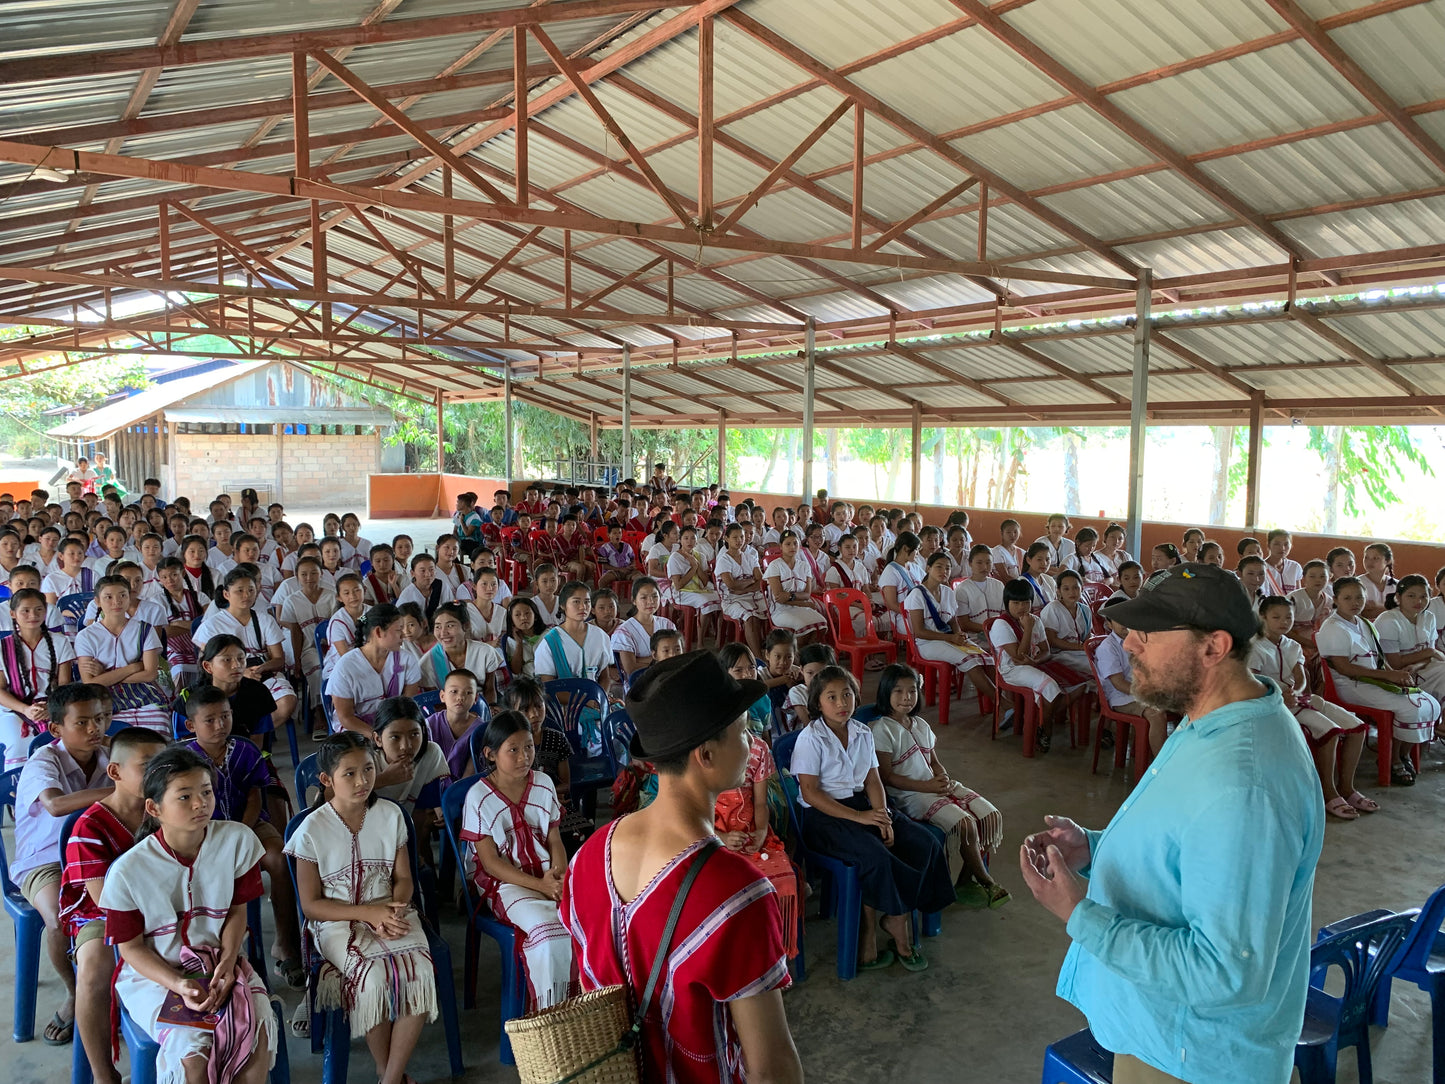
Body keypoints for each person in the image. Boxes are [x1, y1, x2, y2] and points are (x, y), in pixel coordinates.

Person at [1019, 563, 1323, 1084]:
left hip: (1190, 1056)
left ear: (1213, 647)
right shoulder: (1212, 717)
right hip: (1159, 1031)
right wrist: (1095, 848)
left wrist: (1080, 914)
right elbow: (1191, 849)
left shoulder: (1244, 786)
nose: (1128, 644)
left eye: (1150, 633)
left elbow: (1224, 973)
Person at [560, 651, 801, 1084]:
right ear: (706, 755)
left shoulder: (588, 857)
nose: (751, 743)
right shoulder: (738, 893)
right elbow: (771, 1071)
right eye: (743, 731)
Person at [99, 746, 278, 1084]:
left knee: (253, 1044)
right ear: (154, 808)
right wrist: (178, 984)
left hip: (220, 965)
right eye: (184, 796)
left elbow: (236, 912)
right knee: (193, 1061)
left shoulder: (236, 840)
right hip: (155, 977)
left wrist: (228, 961)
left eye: (206, 792)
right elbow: (131, 949)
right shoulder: (128, 872)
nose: (200, 804)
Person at [284, 733, 437, 1083]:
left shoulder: (391, 815)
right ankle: (390, 1073)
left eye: (368, 769)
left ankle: (389, 1077)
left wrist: (396, 908)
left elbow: (404, 878)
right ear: (327, 779)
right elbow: (311, 906)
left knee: (419, 972)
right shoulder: (311, 830)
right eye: (349, 774)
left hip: (392, 911)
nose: (362, 781)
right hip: (335, 922)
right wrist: (367, 914)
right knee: (374, 978)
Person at [792, 664, 954, 972]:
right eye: (831, 697)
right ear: (817, 703)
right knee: (876, 856)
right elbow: (811, 793)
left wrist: (883, 817)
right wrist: (861, 817)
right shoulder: (811, 738)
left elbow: (873, 780)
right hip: (824, 816)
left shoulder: (862, 731)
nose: (841, 703)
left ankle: (896, 913)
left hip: (863, 804)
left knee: (924, 842)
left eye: (847, 694)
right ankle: (896, 923)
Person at [60, 725, 168, 1084]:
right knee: (93, 966)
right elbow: (104, 899)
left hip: (167, 904)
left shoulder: (167, 811)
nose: (158, 774)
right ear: (115, 772)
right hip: (101, 914)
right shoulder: (89, 827)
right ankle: (103, 1072)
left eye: (164, 765)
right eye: (147, 766)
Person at [12, 683, 114, 1046]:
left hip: (99, 853)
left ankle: (121, 986)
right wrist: (122, 790)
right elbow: (55, 805)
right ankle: (75, 993)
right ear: (56, 728)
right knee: (58, 918)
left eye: (100, 719)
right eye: (82, 722)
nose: (94, 729)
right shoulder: (44, 760)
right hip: (46, 860)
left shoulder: (109, 756)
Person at [183, 685, 304, 986]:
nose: (220, 725)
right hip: (202, 833)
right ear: (191, 725)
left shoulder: (245, 750)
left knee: (279, 858)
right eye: (209, 720)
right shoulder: (184, 760)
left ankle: (286, 945)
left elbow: (255, 796)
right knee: (199, 872)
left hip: (249, 824)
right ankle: (217, 952)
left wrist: (240, 832)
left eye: (225, 716)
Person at [461, 711, 574, 1010]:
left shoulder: (544, 783)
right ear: (491, 754)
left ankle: (582, 1008)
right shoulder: (478, 797)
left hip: (547, 873)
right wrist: (541, 885)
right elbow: (490, 863)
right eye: (513, 749)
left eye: (529, 747)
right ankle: (550, 1012)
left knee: (587, 922)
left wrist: (558, 876)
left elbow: (555, 840)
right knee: (548, 935)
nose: (524, 757)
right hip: (504, 883)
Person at [870, 663, 1007, 908]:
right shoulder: (881, 729)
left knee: (989, 816)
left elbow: (933, 761)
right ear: (885, 692)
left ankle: (965, 881)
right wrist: (928, 787)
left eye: (912, 691)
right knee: (964, 823)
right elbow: (887, 777)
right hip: (909, 795)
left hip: (934, 786)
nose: (906, 697)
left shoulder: (921, 725)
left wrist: (942, 777)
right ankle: (986, 881)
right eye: (898, 691)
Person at [1250, 596, 1374, 820]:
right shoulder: (1253, 646)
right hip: (1274, 703)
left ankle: (1347, 788)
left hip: (1300, 699)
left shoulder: (1292, 645)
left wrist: (1296, 691)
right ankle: (1329, 792)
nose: (1284, 622)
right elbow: (1255, 682)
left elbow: (1300, 677)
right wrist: (1282, 695)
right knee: (1330, 731)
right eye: (1276, 617)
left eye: (1288, 617)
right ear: (1263, 617)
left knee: (1357, 728)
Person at [1317, 576, 1439, 785]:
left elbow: (1379, 660)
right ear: (1335, 600)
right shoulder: (1333, 627)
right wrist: (1388, 676)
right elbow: (1345, 669)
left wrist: (1396, 676)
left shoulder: (1363, 623)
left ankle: (1403, 754)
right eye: (1347, 598)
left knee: (1430, 703)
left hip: (1374, 681)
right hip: (1351, 686)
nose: (1355, 603)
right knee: (1412, 707)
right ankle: (1393, 760)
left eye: (1359, 597)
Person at [194, 567, 297, 734]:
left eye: (251, 590)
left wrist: (261, 668)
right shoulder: (212, 625)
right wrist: (241, 673)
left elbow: (278, 659)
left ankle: (252, 735)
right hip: (226, 678)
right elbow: (207, 664)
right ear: (226, 594)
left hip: (261, 673)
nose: (246, 595)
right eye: (239, 591)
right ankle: (235, 734)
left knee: (287, 702)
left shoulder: (265, 620)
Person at [989, 578, 1077, 753]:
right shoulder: (1001, 624)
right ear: (1007, 604)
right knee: (1050, 686)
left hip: (1034, 664)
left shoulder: (1035, 619)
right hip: (1011, 670)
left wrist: (1036, 661)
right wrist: (1028, 629)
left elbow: (1046, 651)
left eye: (1026, 602)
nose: (1021, 607)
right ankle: (1045, 729)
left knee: (1079, 683)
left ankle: (1041, 717)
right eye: (1016, 603)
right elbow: (1018, 657)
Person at [74, 575, 171, 732]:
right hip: (102, 696)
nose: (117, 602)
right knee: (108, 732)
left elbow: (149, 674)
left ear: (129, 597)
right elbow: (90, 682)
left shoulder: (145, 629)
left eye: (122, 595)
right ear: (97, 601)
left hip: (143, 692)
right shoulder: (86, 636)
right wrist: (133, 667)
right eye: (109, 597)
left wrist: (105, 675)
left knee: (157, 725)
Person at [0, 587, 76, 770]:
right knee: (18, 742)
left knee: (65, 740)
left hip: (54, 705)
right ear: (13, 614)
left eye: (38, 609)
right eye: (25, 610)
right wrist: (25, 710)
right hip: (13, 709)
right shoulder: (3, 647)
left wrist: (51, 708)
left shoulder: (60, 642)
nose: (33, 615)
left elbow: (64, 685)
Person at [906, 550, 995, 703]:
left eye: (947, 568)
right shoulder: (917, 594)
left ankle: (997, 702)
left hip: (949, 639)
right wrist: (951, 638)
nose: (944, 571)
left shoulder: (947, 592)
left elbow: (953, 621)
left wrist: (958, 634)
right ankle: (1002, 703)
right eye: (939, 567)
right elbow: (919, 632)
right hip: (927, 644)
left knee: (987, 659)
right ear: (928, 568)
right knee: (971, 661)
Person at [328, 604, 423, 737]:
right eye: (398, 630)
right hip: (358, 730)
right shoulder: (346, 667)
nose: (403, 634)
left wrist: (392, 734)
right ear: (378, 632)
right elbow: (346, 718)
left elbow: (407, 706)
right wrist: (377, 737)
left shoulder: (407, 660)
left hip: (394, 724)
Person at [1094, 599, 1170, 754]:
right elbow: (1119, 684)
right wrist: (1148, 693)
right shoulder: (1108, 647)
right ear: (1109, 624)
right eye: (1118, 619)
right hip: (1121, 697)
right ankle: (1162, 764)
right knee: (1157, 714)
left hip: (1140, 690)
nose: (1125, 621)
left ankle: (1188, 758)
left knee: (1187, 702)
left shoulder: (1139, 639)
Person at [419, 602, 503, 700]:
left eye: (450, 626)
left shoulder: (485, 652)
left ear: (466, 625)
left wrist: (489, 708)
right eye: (438, 626)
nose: (443, 633)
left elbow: (490, 690)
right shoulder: (427, 663)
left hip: (481, 705)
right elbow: (434, 700)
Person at [715, 523, 770, 659]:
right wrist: (750, 581)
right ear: (726, 538)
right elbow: (731, 585)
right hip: (731, 600)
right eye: (735, 537)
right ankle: (758, 658)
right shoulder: (724, 560)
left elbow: (760, 581)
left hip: (752, 595)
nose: (739, 540)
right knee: (749, 616)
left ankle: (767, 651)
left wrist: (746, 587)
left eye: (741, 536)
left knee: (772, 610)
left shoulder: (750, 557)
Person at [424, 668, 485, 778]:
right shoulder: (429, 725)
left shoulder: (481, 730)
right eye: (454, 691)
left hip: (463, 785)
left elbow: (470, 773)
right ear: (442, 696)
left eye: (468, 693)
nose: (460, 697)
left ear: (475, 698)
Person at [610, 577, 677, 677]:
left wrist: (640, 660)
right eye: (644, 597)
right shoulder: (624, 631)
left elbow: (676, 658)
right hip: (639, 682)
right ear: (634, 600)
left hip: (668, 678)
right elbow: (630, 668)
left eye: (655, 596)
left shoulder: (667, 625)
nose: (650, 601)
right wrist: (662, 658)